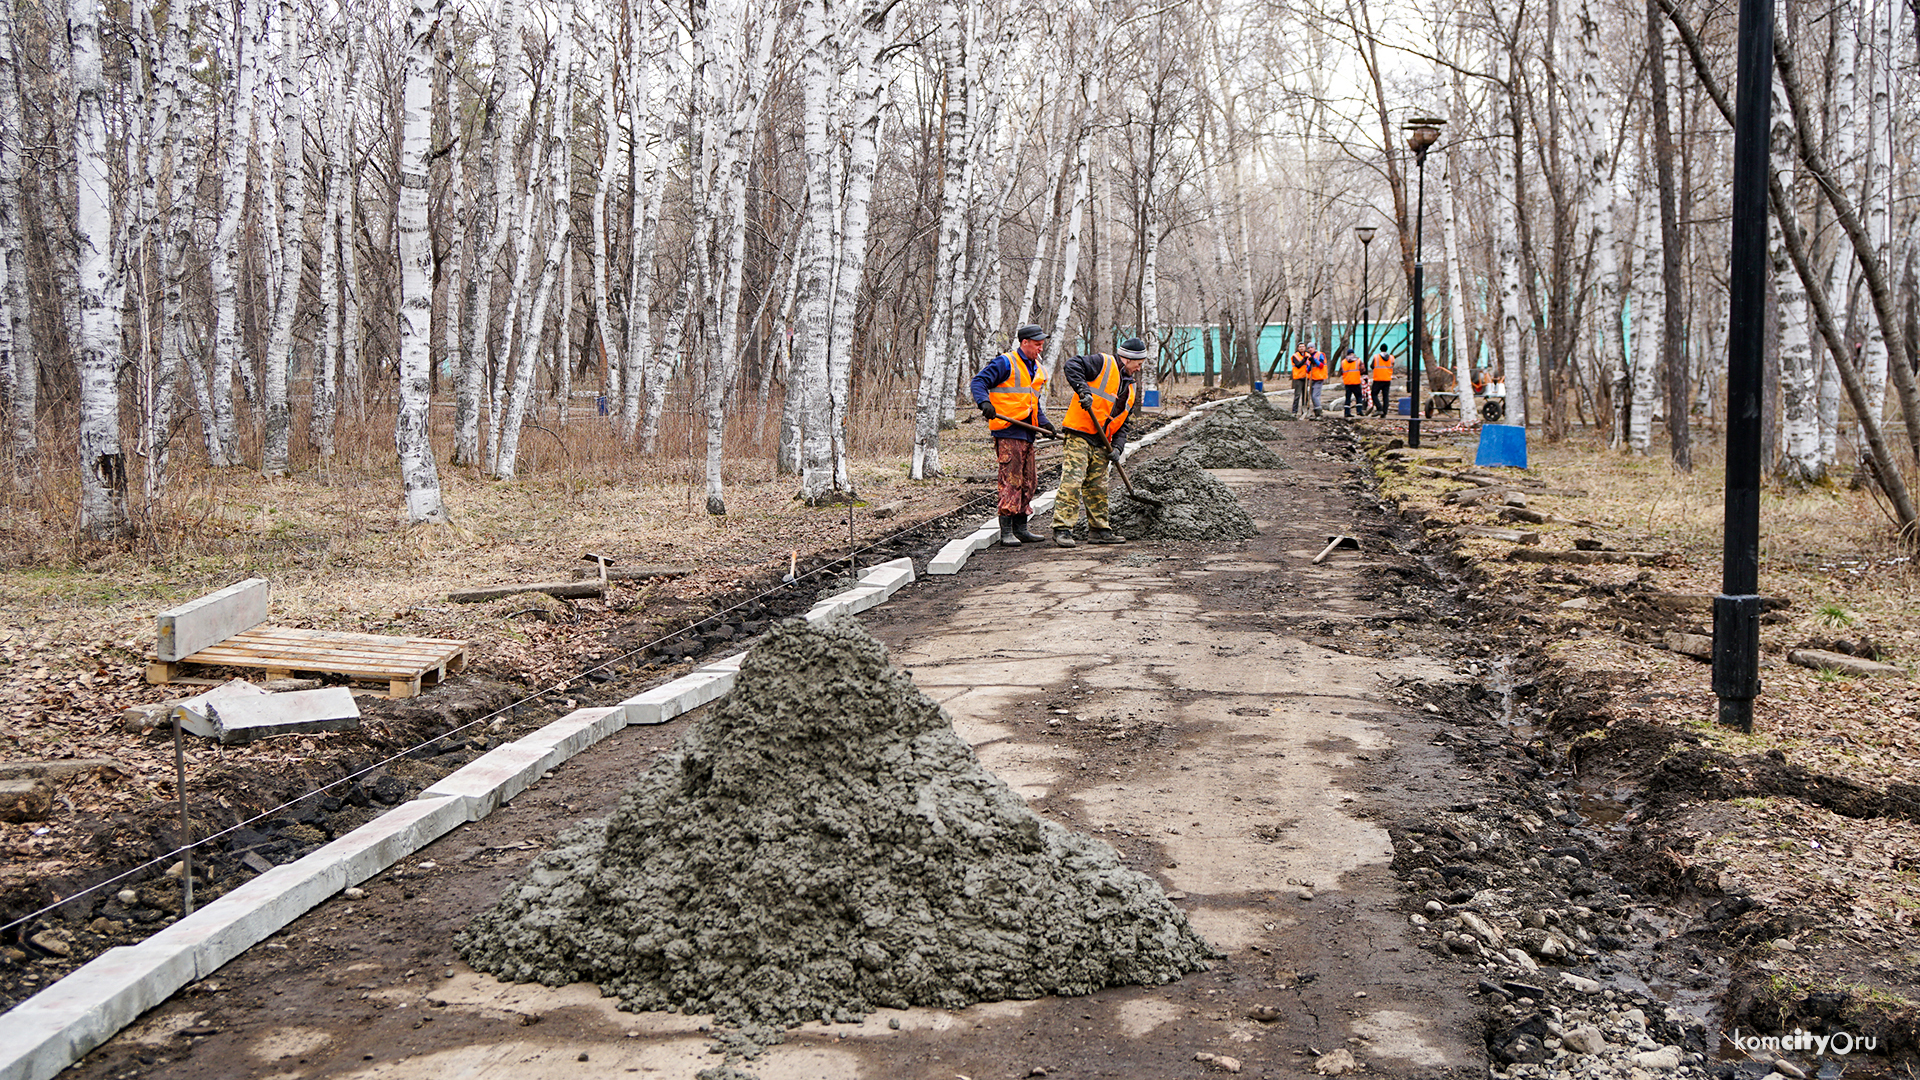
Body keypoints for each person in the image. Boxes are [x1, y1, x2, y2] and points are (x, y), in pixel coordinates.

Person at [1051, 337, 1146, 547]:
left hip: (1103, 441)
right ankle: (1062, 528)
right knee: (1073, 480)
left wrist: (1118, 448)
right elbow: (1072, 365)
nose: (1139, 369)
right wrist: (1083, 390)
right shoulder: (1103, 362)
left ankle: (1099, 530)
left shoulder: (1130, 388)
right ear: (1128, 359)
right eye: (1138, 364)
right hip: (1080, 432)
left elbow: (1123, 423)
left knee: (1098, 486)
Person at [970, 324, 1057, 546]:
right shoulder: (1005, 362)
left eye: (1042, 345)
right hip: (1008, 429)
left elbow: (1032, 401)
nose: (1040, 349)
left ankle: (1021, 528)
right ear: (1024, 342)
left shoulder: (1037, 368)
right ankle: (1006, 530)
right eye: (1037, 345)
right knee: (1011, 479)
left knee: (1029, 481)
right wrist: (985, 403)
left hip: (1028, 431)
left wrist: (1045, 423)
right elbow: (978, 382)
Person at [1338, 347, 1367, 417]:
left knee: (1348, 397)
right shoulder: (1358, 360)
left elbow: (1340, 371)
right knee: (1359, 396)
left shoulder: (1343, 361)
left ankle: (1347, 412)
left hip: (1347, 382)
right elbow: (1363, 370)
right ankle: (1359, 410)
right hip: (1356, 381)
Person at [1288, 344, 1313, 415]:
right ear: (1298, 348)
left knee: (1306, 395)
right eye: (1300, 347)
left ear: (1305, 348)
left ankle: (1305, 411)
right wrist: (1304, 359)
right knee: (1297, 395)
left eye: (1303, 347)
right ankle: (1294, 411)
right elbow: (1298, 365)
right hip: (1298, 378)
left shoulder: (1308, 355)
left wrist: (1311, 361)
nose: (1302, 348)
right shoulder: (1295, 356)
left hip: (1306, 377)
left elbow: (1310, 365)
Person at [1305, 343, 1329, 416]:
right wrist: (1310, 364)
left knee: (1315, 396)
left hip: (1319, 378)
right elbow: (1307, 369)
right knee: (1312, 396)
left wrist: (1314, 360)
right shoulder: (1309, 357)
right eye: (1309, 348)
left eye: (1311, 347)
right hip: (1312, 378)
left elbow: (1321, 365)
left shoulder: (1320, 355)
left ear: (1314, 348)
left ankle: (1319, 412)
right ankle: (1315, 411)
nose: (1310, 349)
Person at [1371, 348, 1394, 417]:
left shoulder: (1376, 357)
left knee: (1374, 394)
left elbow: (1372, 366)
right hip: (1387, 379)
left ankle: (1379, 408)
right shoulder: (1391, 357)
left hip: (1378, 378)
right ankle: (1384, 412)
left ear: (1380, 349)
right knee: (1385, 396)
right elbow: (1392, 365)